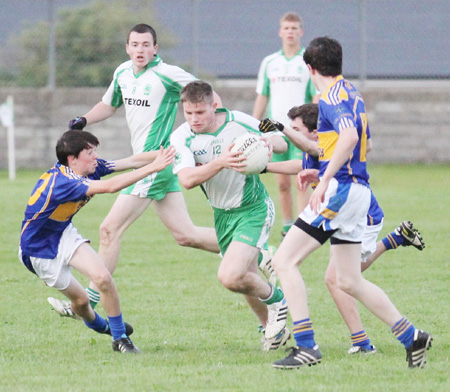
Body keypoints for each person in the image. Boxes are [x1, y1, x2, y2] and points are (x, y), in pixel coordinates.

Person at [262, 37, 432, 369]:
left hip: (340, 191)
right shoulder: (351, 92)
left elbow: (350, 136)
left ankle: (307, 346)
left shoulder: (329, 98)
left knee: (283, 261)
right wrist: (321, 170)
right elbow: (337, 143)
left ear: (310, 69)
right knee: (348, 280)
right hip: (358, 193)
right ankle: (412, 336)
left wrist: (325, 179)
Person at [63, 23, 222, 312]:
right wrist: (84, 120)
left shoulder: (167, 73)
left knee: (109, 229)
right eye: (135, 45)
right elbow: (109, 105)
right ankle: (251, 251)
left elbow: (209, 96)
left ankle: (86, 302)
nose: (140, 50)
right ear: (127, 48)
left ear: (155, 48)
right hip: (149, 162)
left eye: (146, 45)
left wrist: (213, 131)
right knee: (186, 235)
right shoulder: (123, 72)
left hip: (157, 163)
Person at [19, 130, 175, 354]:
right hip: (38, 251)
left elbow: (130, 161)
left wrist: (168, 153)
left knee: (102, 277)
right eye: (90, 152)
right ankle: (103, 327)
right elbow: (111, 187)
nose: (96, 157)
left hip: (63, 233)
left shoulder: (89, 168)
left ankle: (121, 338)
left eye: (95, 151)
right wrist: (154, 167)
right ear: (72, 159)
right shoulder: (63, 182)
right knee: (81, 304)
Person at [170, 80, 290, 351]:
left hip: (254, 208)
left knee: (230, 276)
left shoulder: (238, 121)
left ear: (214, 105)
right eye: (188, 113)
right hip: (222, 216)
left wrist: (268, 143)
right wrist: (221, 161)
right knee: (244, 277)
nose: (194, 119)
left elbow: (282, 144)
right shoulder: (182, 137)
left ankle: (278, 300)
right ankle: (272, 331)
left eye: (200, 112)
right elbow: (187, 180)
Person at [252, 12, 320, 238]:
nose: (290, 32)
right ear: (280, 32)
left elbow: (315, 95)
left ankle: (303, 225)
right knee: (282, 183)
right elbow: (263, 95)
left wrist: (314, 123)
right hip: (276, 130)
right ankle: (288, 225)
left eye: (294, 28)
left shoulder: (307, 62)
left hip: (301, 132)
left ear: (301, 32)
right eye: (286, 28)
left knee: (303, 176)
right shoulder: (270, 62)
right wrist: (254, 124)